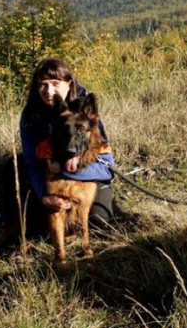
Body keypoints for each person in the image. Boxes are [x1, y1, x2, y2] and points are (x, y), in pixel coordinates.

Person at [11, 58, 115, 234]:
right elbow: (31, 161)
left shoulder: (87, 111)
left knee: (100, 222)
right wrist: (44, 195)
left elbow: (107, 168)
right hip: (48, 172)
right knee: (11, 166)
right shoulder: (31, 115)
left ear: (69, 83)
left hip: (82, 170)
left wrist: (64, 170)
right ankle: (16, 214)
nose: (49, 91)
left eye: (55, 83)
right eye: (43, 85)